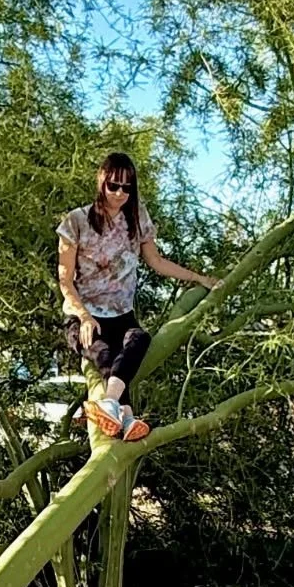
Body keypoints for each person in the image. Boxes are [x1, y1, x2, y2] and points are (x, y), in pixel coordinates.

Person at [56, 152, 218, 442]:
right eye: (113, 186)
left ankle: (113, 409)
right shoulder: (76, 222)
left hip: (122, 314)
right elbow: (65, 280)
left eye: (127, 187)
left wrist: (199, 278)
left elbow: (156, 261)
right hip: (86, 315)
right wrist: (83, 316)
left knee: (139, 340)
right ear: (101, 183)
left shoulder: (137, 216)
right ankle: (125, 416)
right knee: (105, 355)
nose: (120, 194)